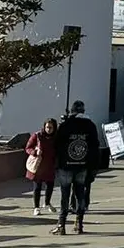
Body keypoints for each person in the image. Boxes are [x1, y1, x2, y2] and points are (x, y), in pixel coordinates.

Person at [51, 101, 100, 236]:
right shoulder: (90, 126)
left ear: (71, 111)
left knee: (65, 195)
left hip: (65, 165)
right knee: (80, 194)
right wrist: (93, 168)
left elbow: (56, 145)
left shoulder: (65, 125)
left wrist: (57, 163)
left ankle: (61, 224)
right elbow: (95, 147)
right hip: (83, 165)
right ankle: (79, 223)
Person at [26, 118, 58, 216]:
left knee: (50, 185)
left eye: (51, 128)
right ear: (44, 127)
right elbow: (28, 148)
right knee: (37, 187)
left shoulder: (56, 137)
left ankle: (47, 203)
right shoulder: (37, 136)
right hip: (38, 165)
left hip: (49, 165)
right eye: (47, 127)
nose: (49, 129)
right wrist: (34, 152)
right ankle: (36, 207)